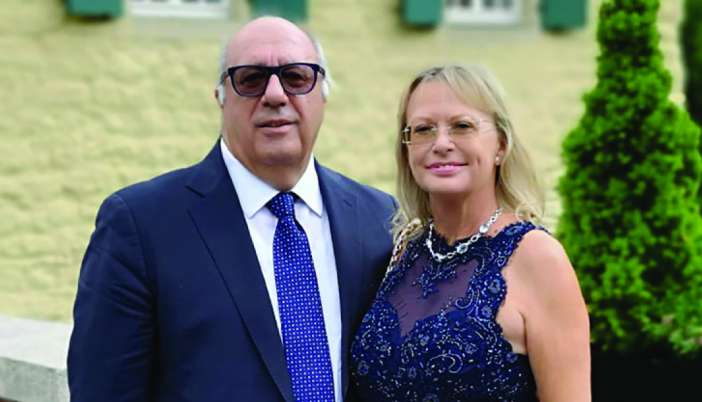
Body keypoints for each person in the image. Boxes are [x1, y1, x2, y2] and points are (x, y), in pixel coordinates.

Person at [67, 17, 396, 402]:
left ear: (323, 93)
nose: (275, 95)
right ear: (220, 97)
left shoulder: (378, 218)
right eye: (251, 79)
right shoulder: (140, 226)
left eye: (295, 77)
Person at [350, 65, 590, 402]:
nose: (441, 143)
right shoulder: (404, 249)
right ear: (406, 149)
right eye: (423, 129)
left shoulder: (537, 257)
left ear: (501, 145)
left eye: (462, 126)